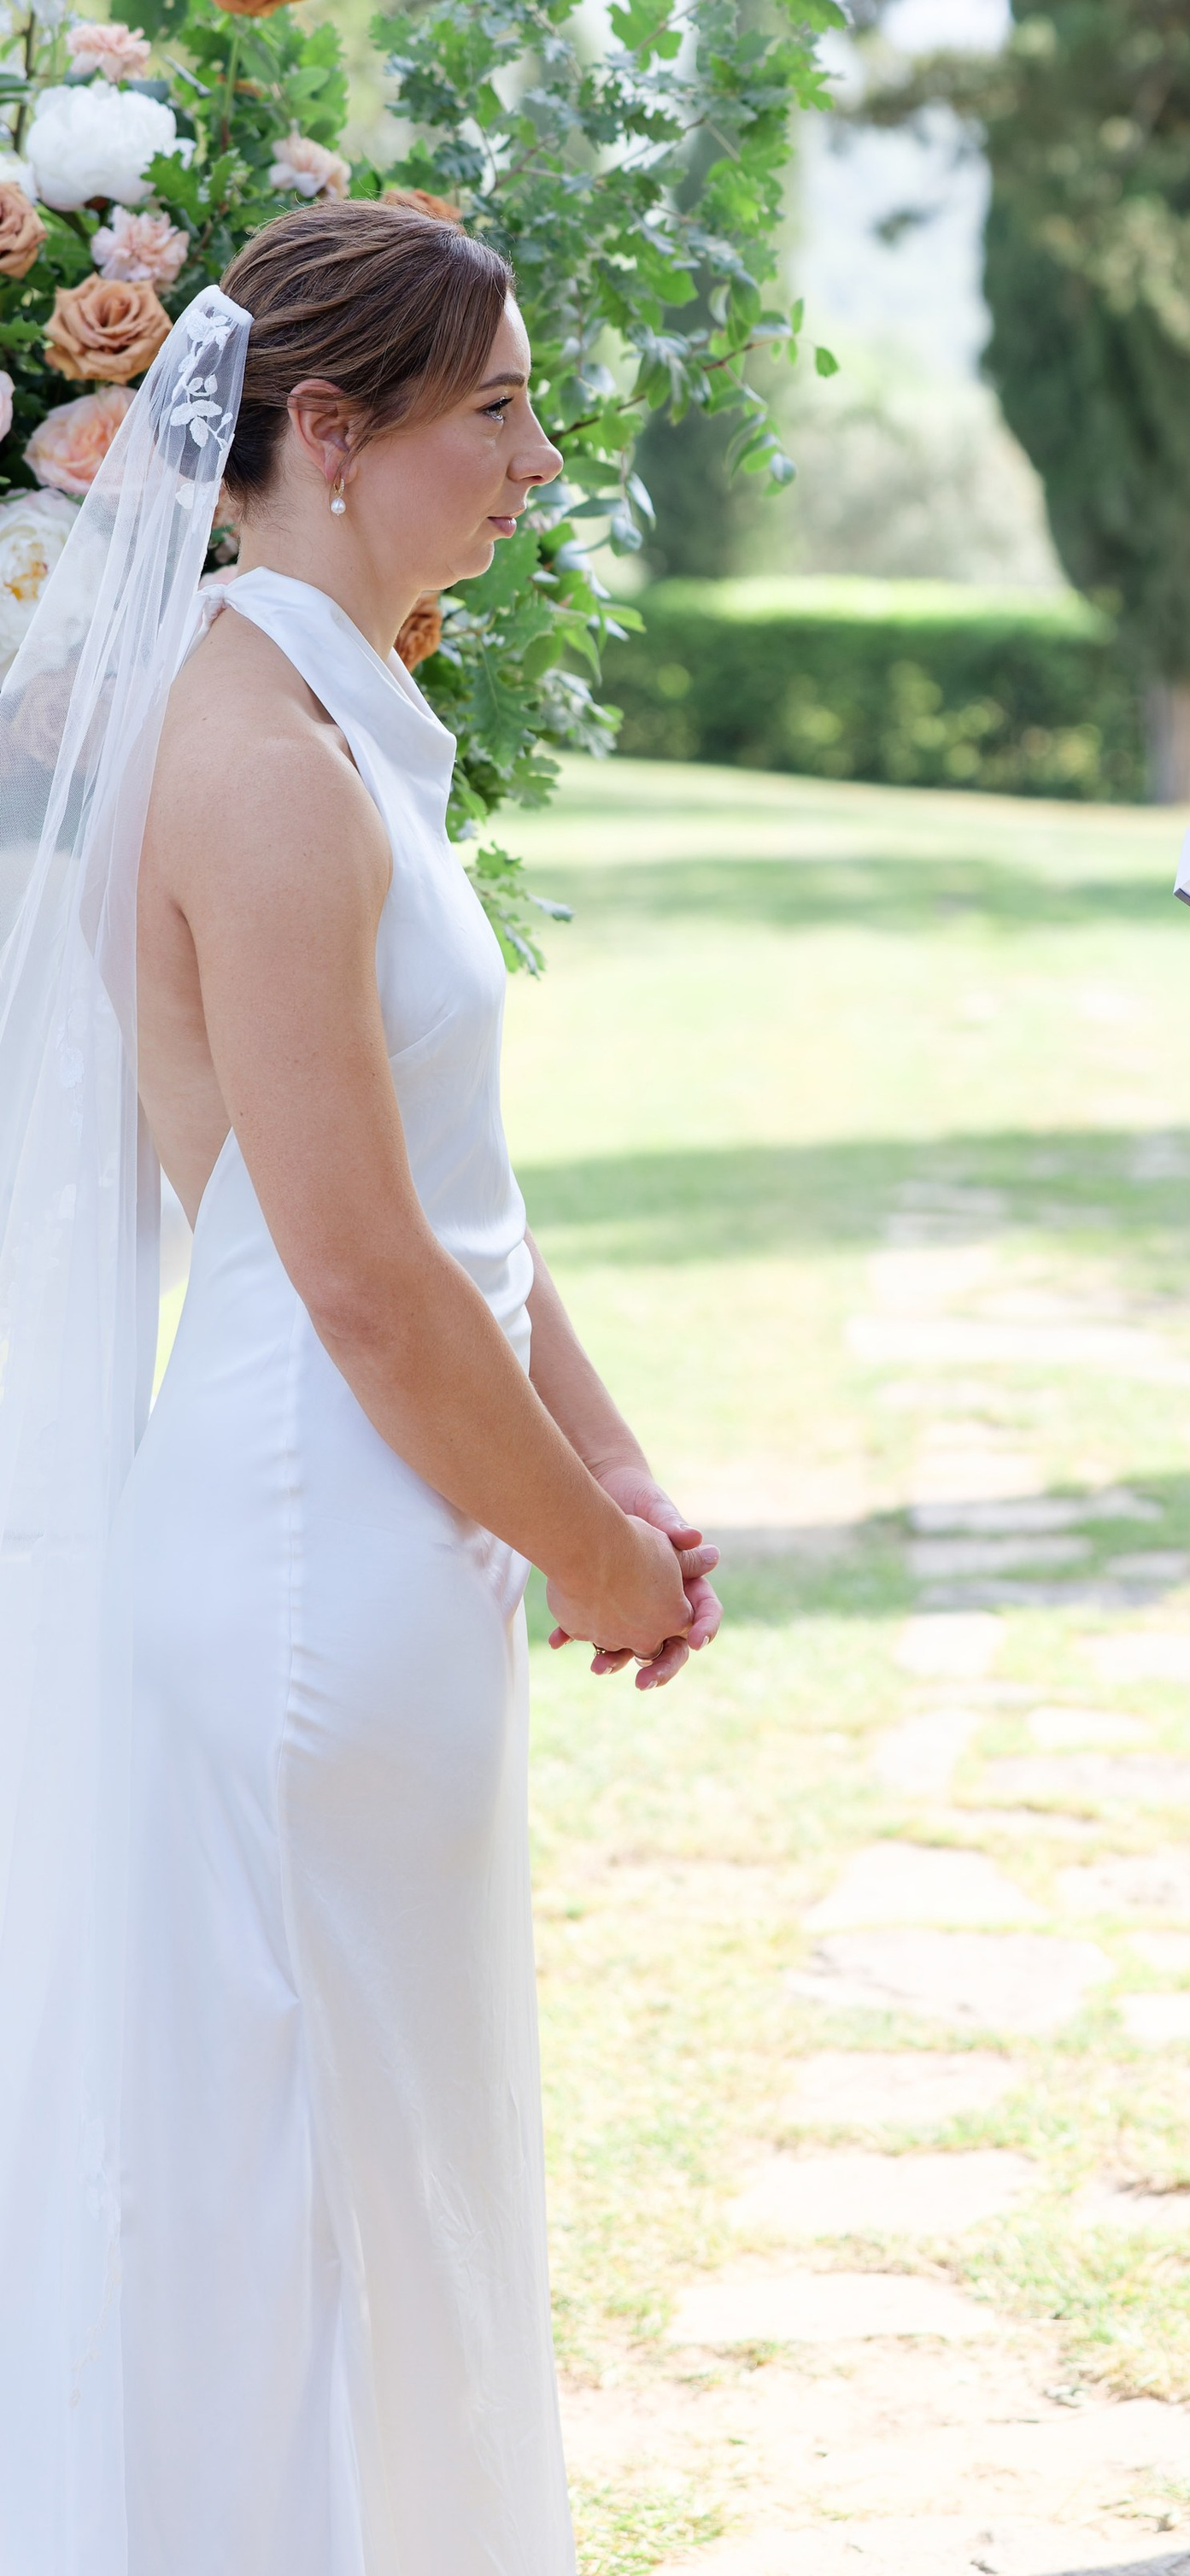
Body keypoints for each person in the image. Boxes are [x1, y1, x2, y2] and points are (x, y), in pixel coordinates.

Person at [0, 202, 719, 2573]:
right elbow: (362, 1279)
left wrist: (604, 1453)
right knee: (310, 2187)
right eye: (492, 411)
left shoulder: (324, 719)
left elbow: (456, 1202)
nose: (534, 463)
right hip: (320, 1556)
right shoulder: (266, 770)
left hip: (391, 1527)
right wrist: (596, 1549)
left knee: (393, 2170)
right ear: (326, 432)